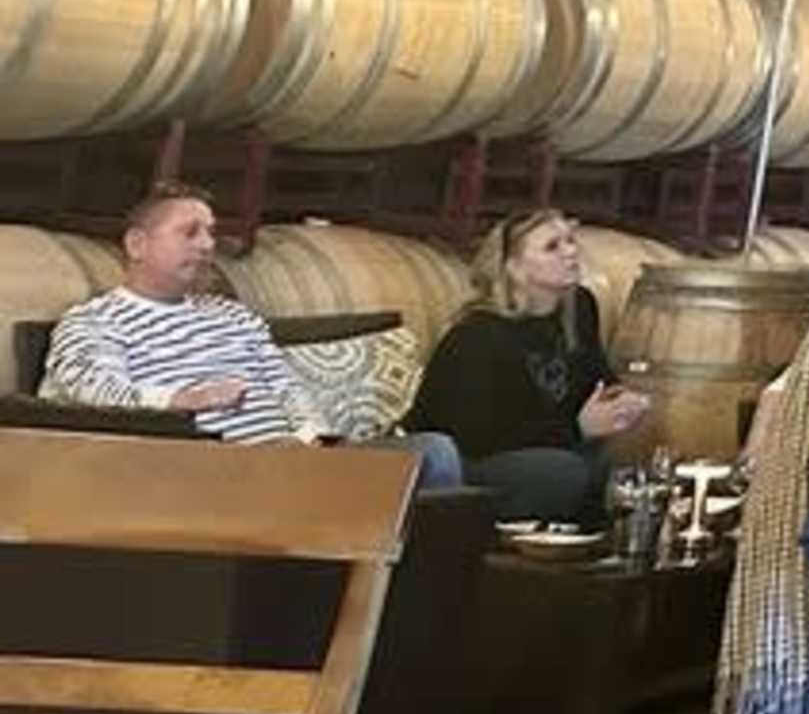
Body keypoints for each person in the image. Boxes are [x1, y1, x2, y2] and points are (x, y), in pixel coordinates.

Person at [42, 192, 466, 488]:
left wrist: (313, 439)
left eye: (210, 232)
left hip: (292, 462)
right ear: (137, 243)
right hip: (202, 469)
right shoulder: (93, 320)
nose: (208, 245)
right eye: (189, 233)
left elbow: (286, 387)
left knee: (434, 452)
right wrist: (179, 400)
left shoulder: (232, 315)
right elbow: (94, 393)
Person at [407, 210, 650, 523]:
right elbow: (477, 437)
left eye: (570, 241)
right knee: (564, 472)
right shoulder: (477, 336)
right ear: (514, 269)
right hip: (468, 463)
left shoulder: (579, 309)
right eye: (552, 247)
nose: (571, 251)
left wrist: (620, 399)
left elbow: (595, 376)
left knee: (612, 469)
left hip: (549, 443)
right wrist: (578, 429)